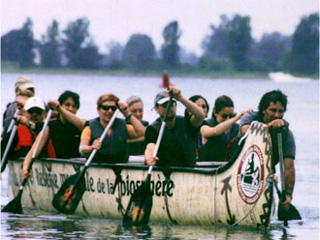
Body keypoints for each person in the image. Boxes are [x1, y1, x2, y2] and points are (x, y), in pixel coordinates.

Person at [239, 90, 296, 211]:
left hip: (265, 175)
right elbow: (246, 131)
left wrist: (288, 194)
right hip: (239, 170)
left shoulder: (286, 134)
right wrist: (269, 127)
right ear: (264, 109)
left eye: (281, 111)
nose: (277, 115)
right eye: (273, 110)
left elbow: (289, 167)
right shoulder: (251, 117)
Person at [21, 90, 85, 179]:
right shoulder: (49, 127)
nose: (71, 109)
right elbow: (33, 151)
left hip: (77, 171)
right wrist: (25, 168)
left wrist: (59, 108)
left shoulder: (81, 125)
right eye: (67, 105)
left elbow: (81, 125)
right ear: (61, 105)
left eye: (74, 106)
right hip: (57, 172)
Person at [144, 86, 205, 167]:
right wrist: (150, 156)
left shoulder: (187, 123)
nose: (169, 107)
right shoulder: (153, 129)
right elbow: (150, 146)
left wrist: (180, 97)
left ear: (176, 107)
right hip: (166, 173)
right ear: (156, 109)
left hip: (188, 171)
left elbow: (200, 115)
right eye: (165, 105)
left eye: (171, 104)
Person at [79, 93, 145, 163]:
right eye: (105, 108)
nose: (110, 111)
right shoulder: (89, 128)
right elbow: (82, 148)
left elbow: (142, 133)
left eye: (113, 108)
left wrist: (127, 113)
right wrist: (92, 147)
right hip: (97, 167)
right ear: (98, 109)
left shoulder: (124, 126)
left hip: (119, 167)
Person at [199, 95, 251, 162]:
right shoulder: (205, 125)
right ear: (215, 112)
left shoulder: (236, 128)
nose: (228, 119)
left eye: (231, 116)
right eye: (224, 116)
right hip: (208, 167)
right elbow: (214, 131)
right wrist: (236, 117)